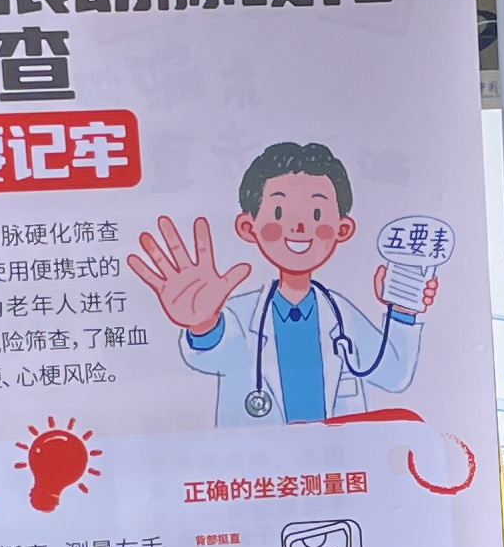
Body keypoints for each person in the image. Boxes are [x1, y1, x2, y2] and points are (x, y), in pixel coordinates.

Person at [127, 139, 432, 426]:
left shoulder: (341, 316)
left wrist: (403, 310)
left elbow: (393, 374)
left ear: (343, 229)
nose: (299, 227)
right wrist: (203, 324)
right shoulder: (242, 316)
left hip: (335, 459)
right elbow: (215, 355)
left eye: (317, 213)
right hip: (261, 462)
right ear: (248, 227)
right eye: (279, 212)